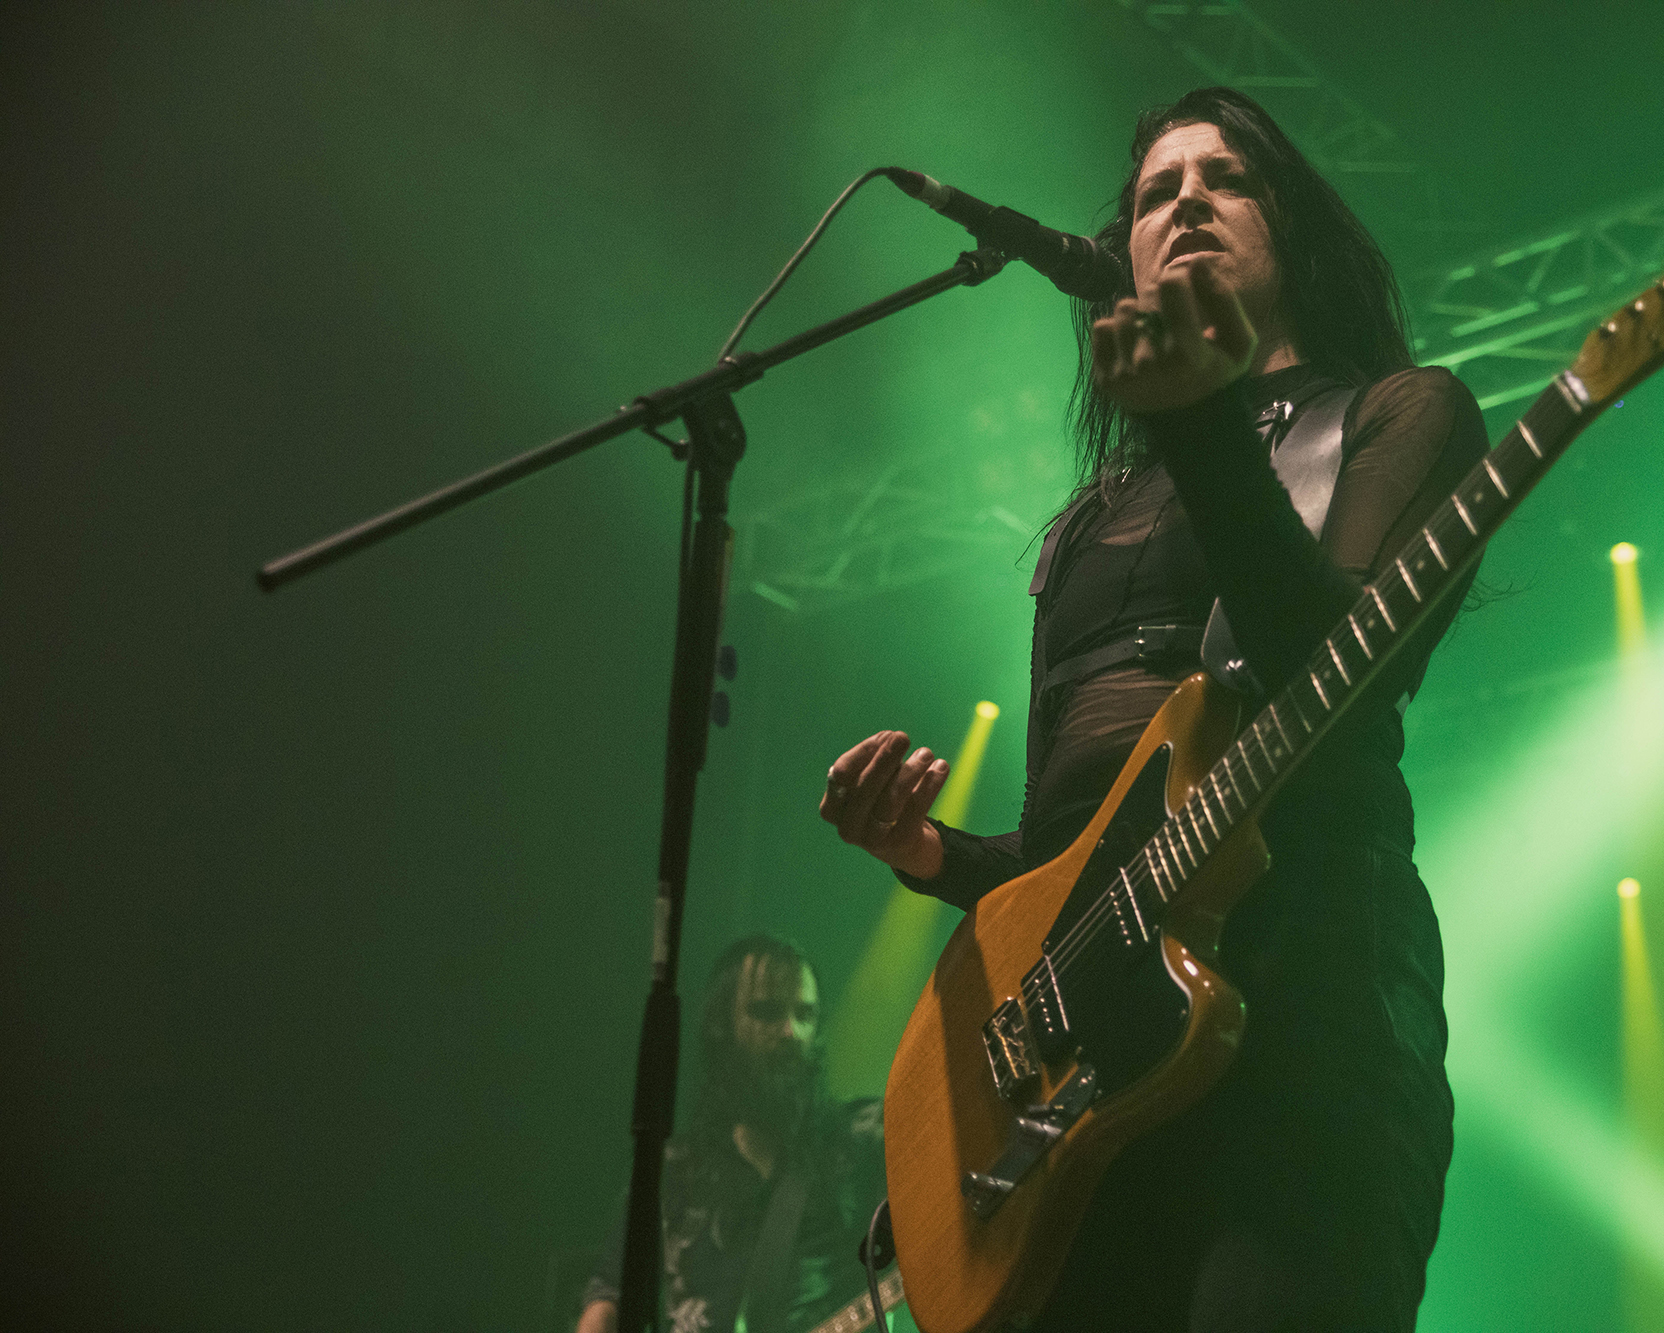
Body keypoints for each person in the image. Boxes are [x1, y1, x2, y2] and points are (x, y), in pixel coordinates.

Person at [818, 87, 1490, 1332]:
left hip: (1306, 1008)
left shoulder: (1401, 413)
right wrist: (930, 853)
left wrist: (1199, 427)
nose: (1183, 203)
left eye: (1224, 178)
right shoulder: (1084, 525)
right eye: (1152, 193)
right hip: (1099, 1075)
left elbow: (1332, 679)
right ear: (1119, 256)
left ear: (1291, 231)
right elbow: (1076, 865)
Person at [577, 936, 887, 1333]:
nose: (791, 1032)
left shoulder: (859, 1144)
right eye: (767, 1012)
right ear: (722, 1027)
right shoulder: (674, 1169)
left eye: (805, 1014)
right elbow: (608, 1297)